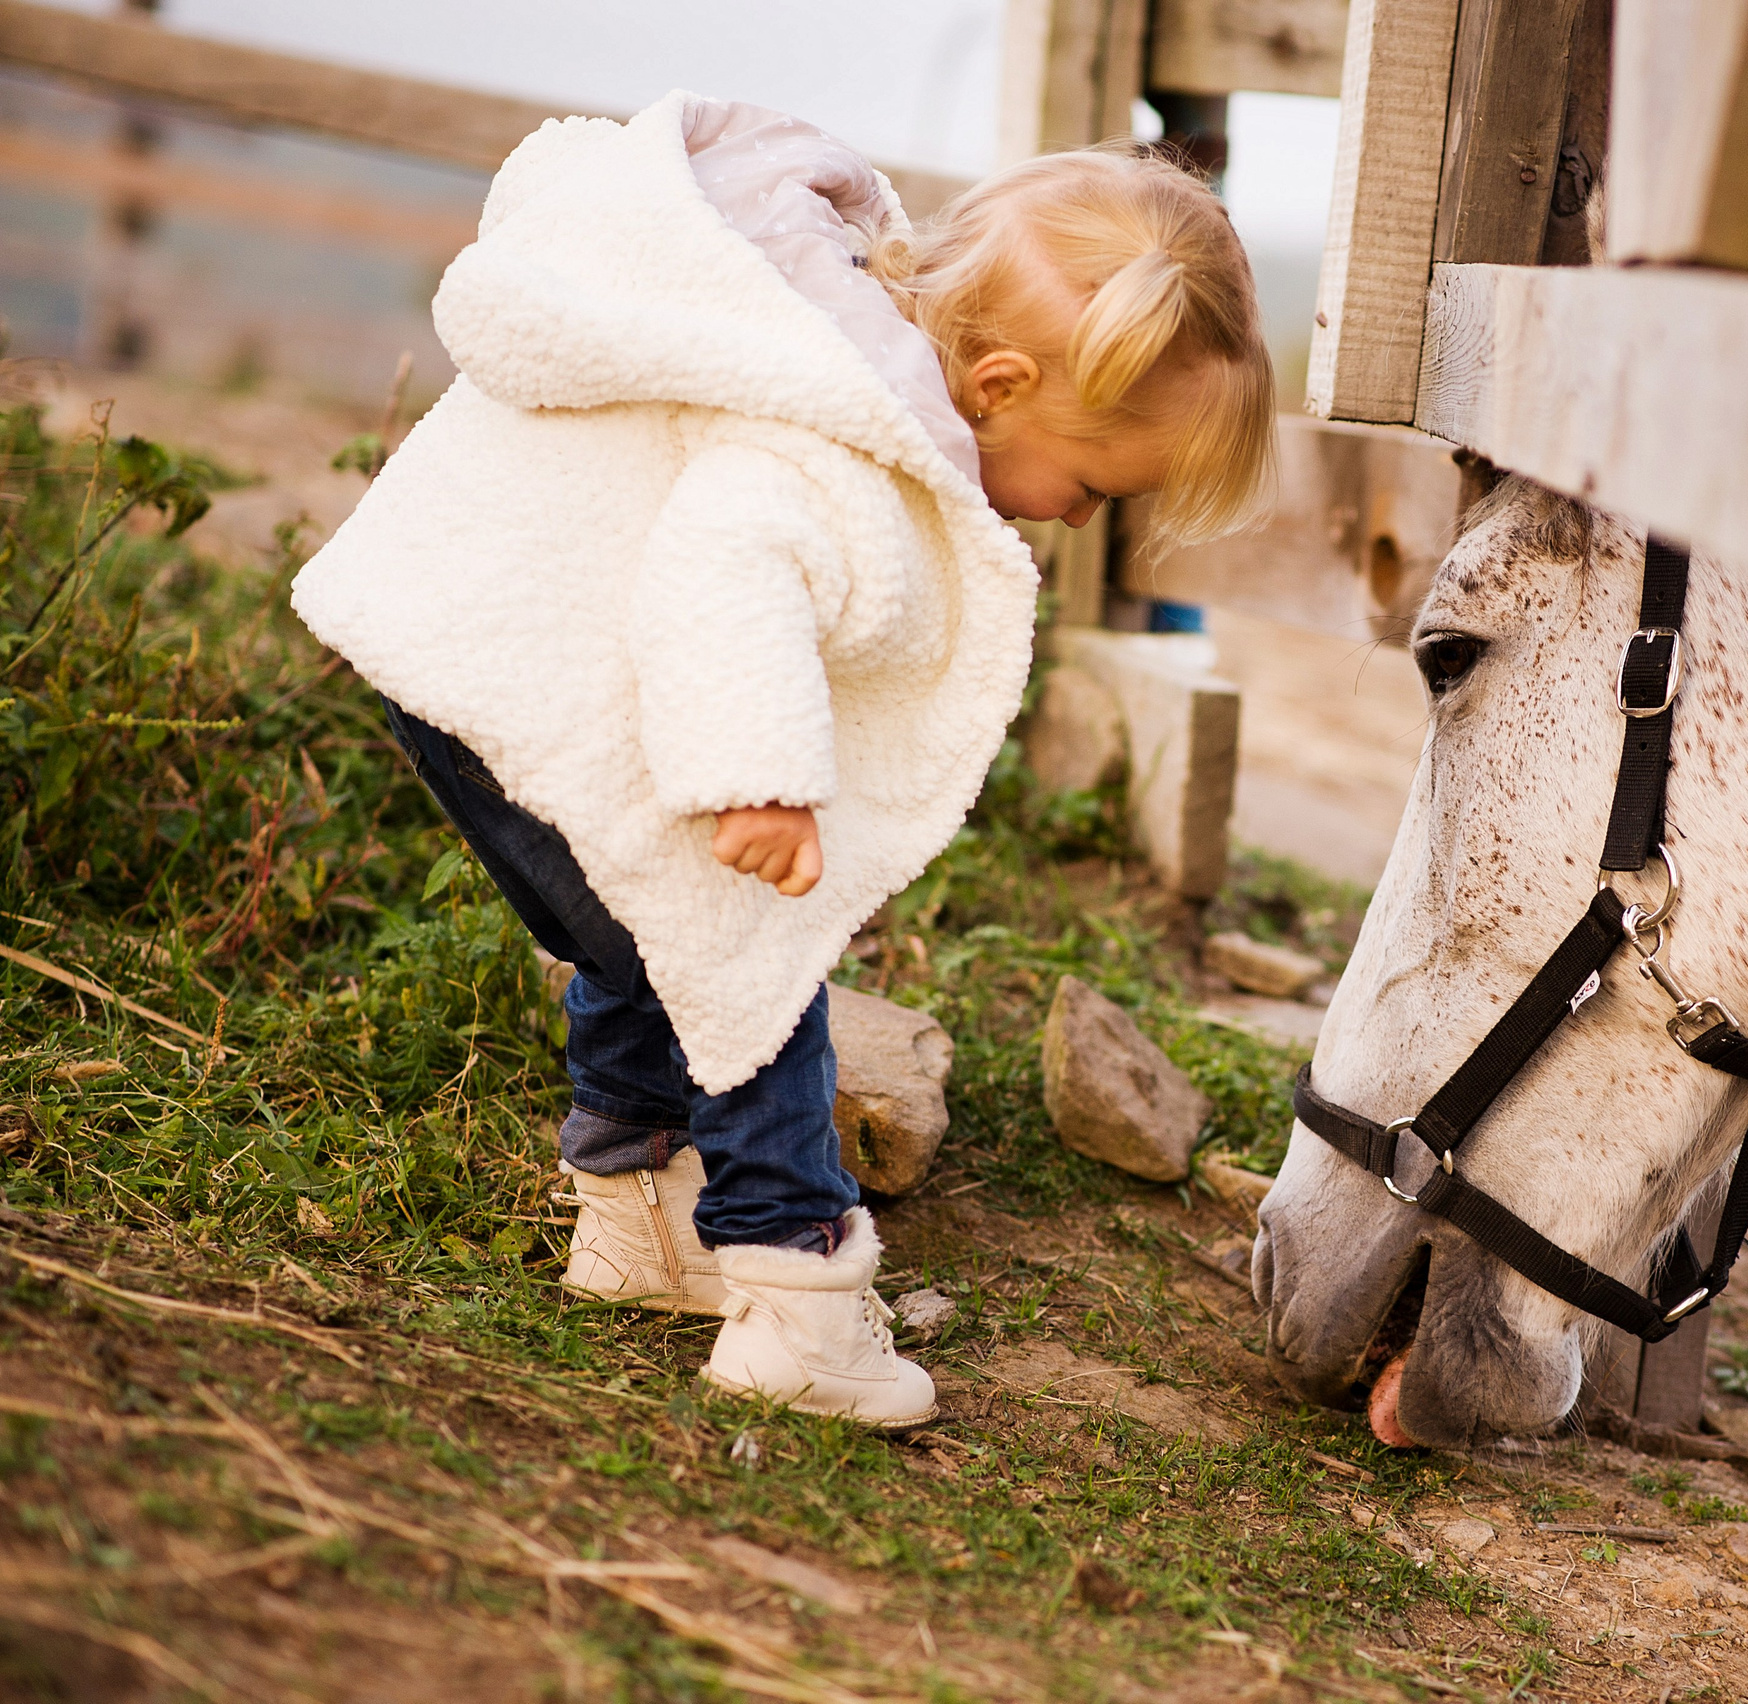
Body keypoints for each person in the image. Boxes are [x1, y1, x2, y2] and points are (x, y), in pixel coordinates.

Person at [292, 94, 1272, 1429]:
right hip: (533, 684)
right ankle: (798, 1295)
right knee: (751, 958)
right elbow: (723, 558)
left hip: (478, 663)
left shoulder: (811, 332)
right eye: (1096, 487)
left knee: (649, 938)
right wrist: (756, 776)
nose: (1086, 519)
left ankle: (642, 1219)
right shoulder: (841, 434)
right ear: (999, 389)